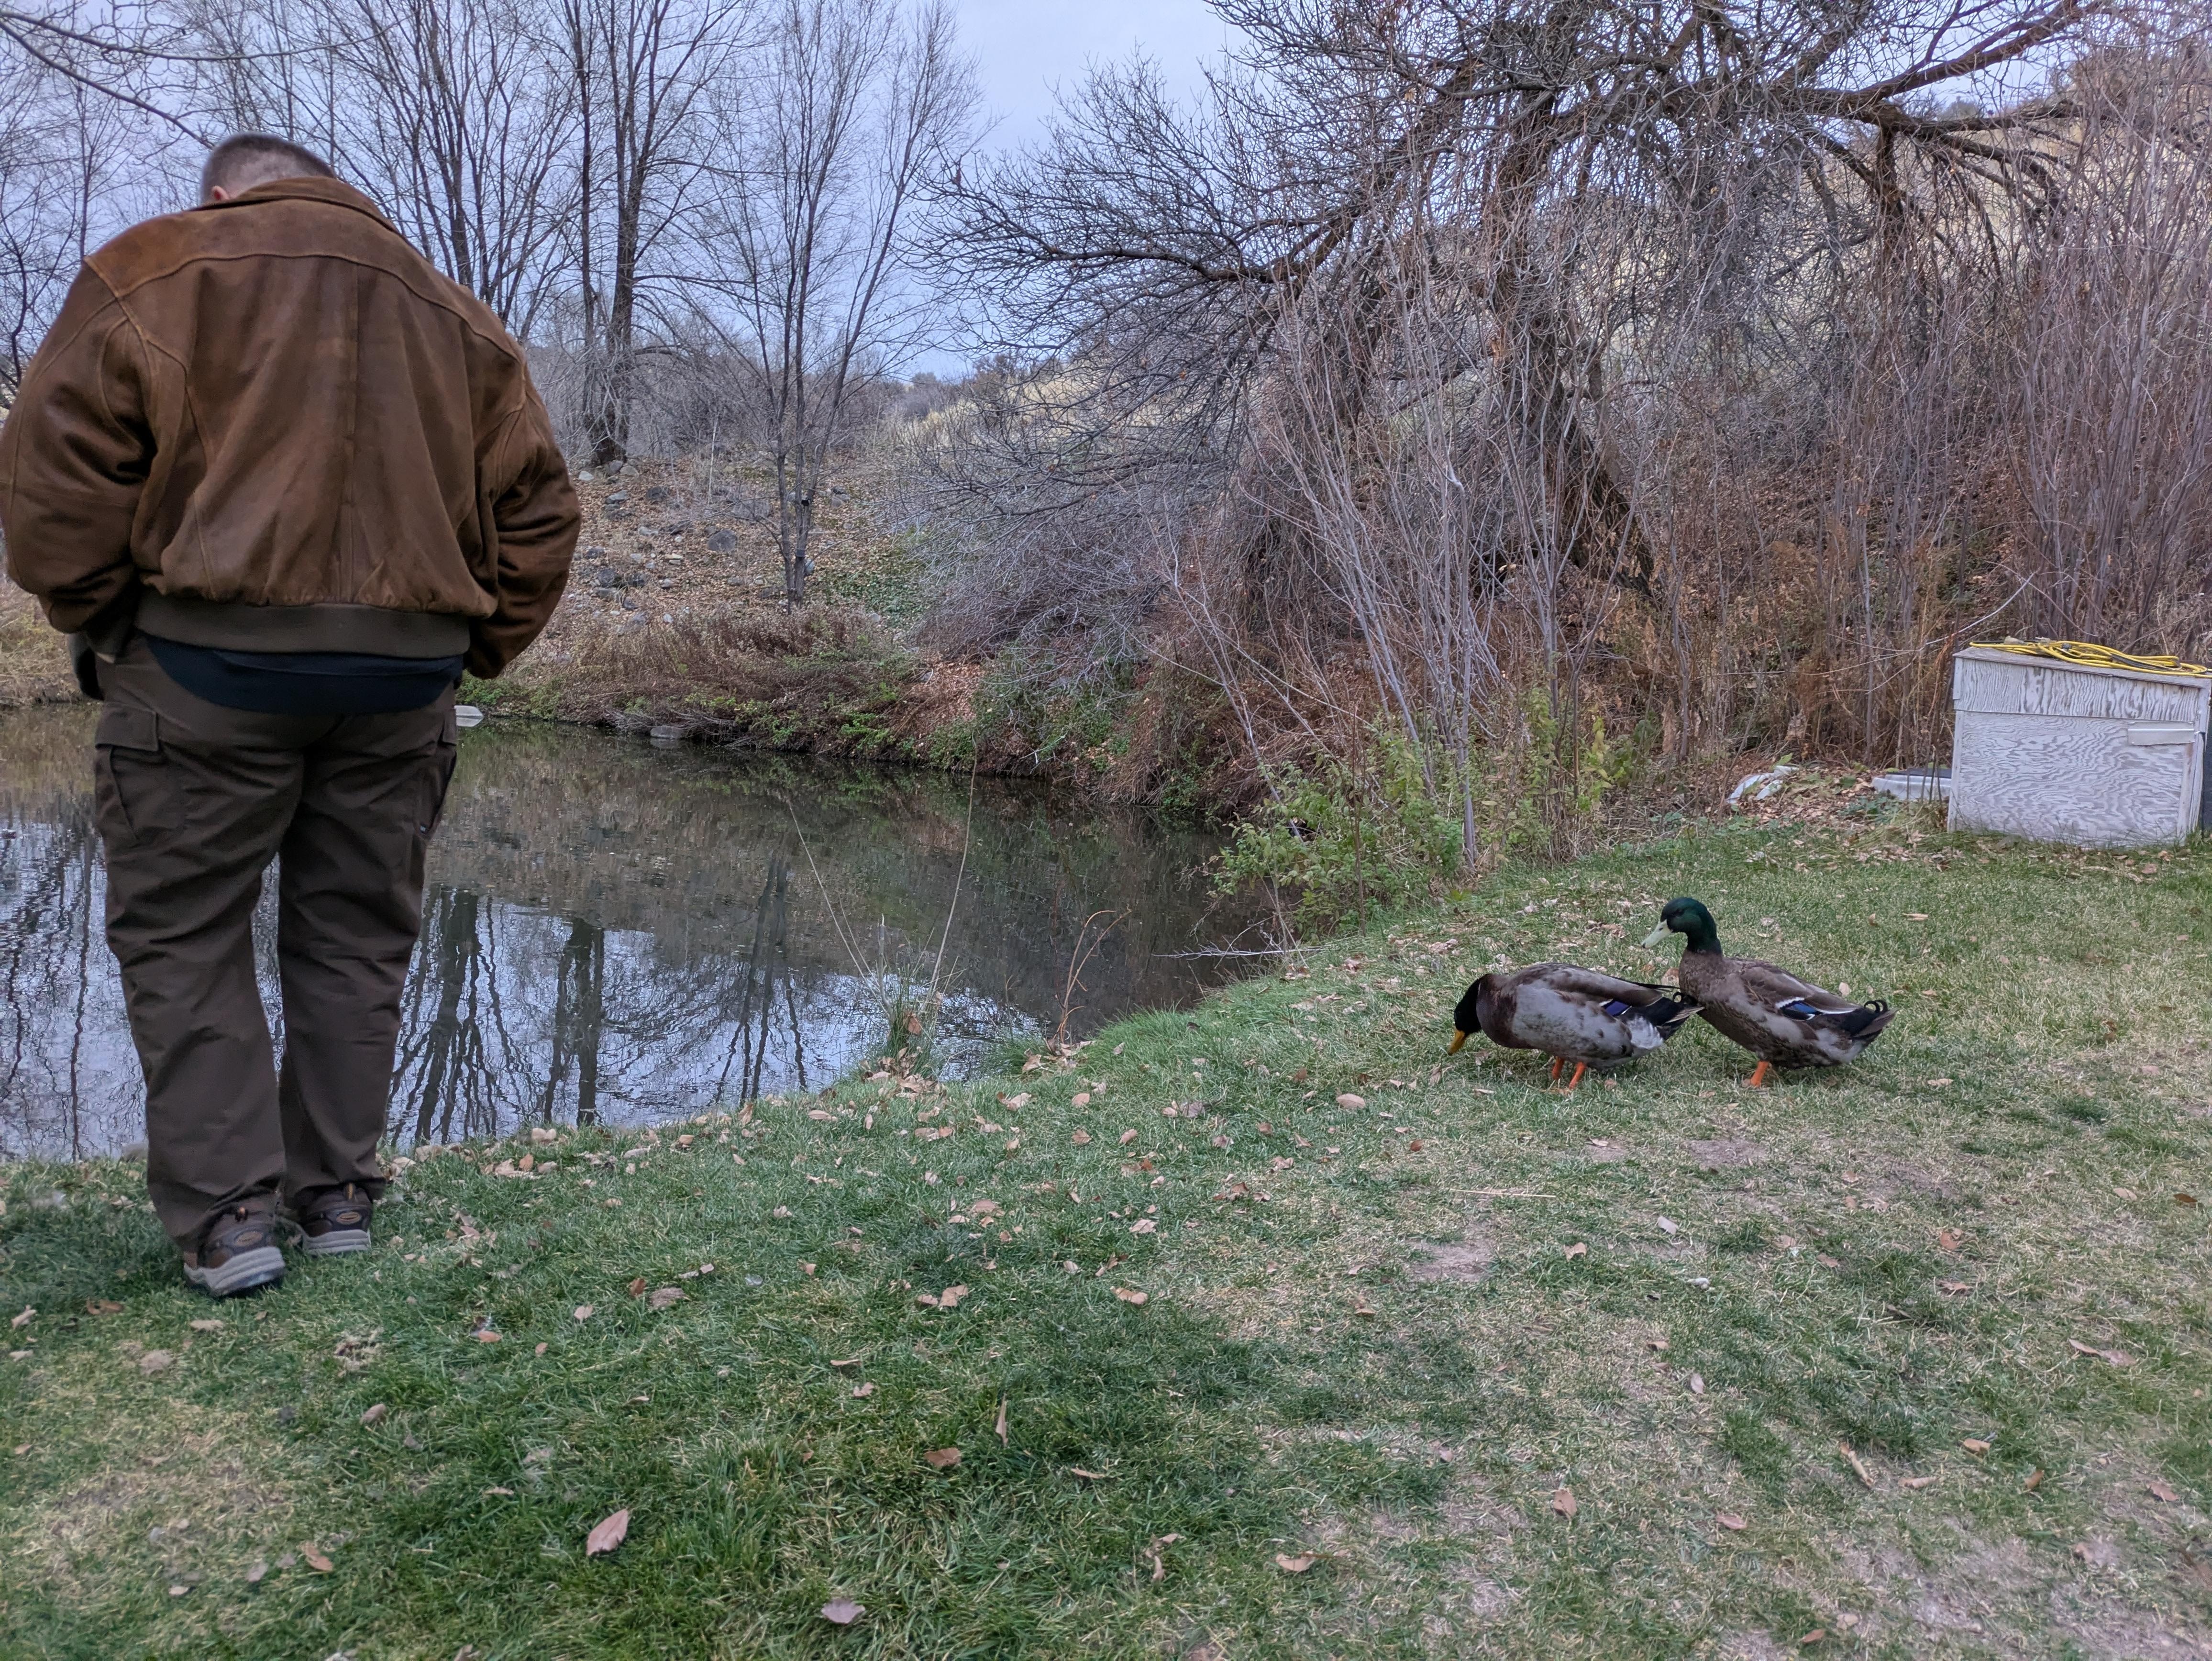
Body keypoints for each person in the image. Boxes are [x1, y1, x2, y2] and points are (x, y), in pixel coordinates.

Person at [0, 134, 578, 1296]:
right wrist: (464, 650)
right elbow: (543, 516)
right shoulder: (458, 316)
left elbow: (52, 491)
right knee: (356, 933)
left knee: (185, 931)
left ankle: (230, 1222)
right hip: (402, 687)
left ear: (222, 193)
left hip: (205, 674)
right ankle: (336, 1192)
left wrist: (114, 626)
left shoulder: (153, 270)